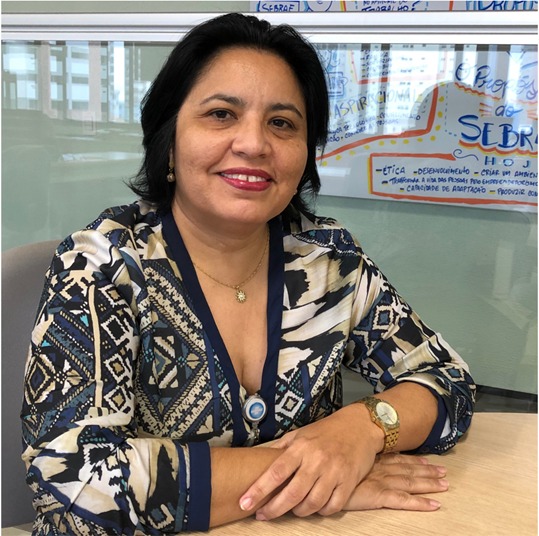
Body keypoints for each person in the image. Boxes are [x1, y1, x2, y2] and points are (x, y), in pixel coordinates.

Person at [21, 13, 475, 535]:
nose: (254, 144)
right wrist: (310, 473)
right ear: (169, 138)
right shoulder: (101, 264)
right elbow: (73, 482)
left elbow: (447, 381)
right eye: (221, 114)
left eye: (282, 123)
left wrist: (361, 429)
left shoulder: (327, 259)